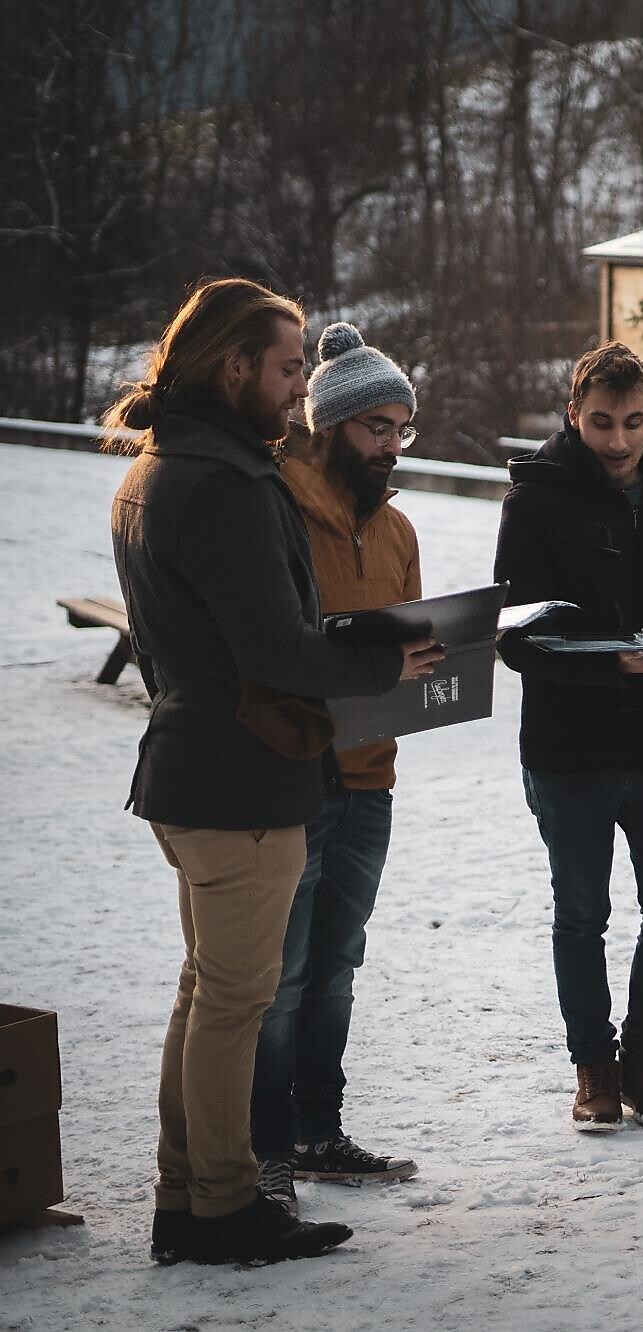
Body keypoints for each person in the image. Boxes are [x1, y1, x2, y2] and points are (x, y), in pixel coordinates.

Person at [107, 279, 443, 1266]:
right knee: (235, 1003)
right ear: (233, 367)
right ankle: (219, 1205)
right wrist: (385, 666)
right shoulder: (226, 481)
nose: (301, 388)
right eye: (290, 367)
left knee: (206, 994)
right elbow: (279, 652)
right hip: (240, 780)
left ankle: (188, 1194)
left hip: (190, 764)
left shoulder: (164, 465)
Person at [494, 341, 643, 1132]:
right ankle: (593, 1066)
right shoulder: (532, 503)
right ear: (573, 414)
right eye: (601, 422)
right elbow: (514, 639)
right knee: (582, 917)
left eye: (634, 422)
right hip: (571, 748)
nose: (619, 440)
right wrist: (612, 670)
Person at [249, 323, 423, 1217]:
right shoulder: (277, 507)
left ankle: (322, 1131)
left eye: (404, 429)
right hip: (292, 778)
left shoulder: (397, 528)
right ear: (331, 425)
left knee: (337, 966)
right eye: (378, 428)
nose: (393, 446)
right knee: (278, 974)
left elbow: (403, 642)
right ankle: (267, 1150)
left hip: (371, 780)